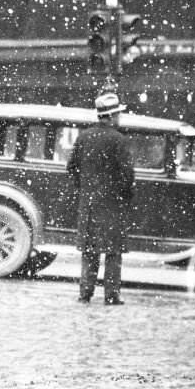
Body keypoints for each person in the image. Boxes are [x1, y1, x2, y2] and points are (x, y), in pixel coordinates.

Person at [67, 91, 135, 305]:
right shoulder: (119, 140)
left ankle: (85, 293)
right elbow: (127, 175)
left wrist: (85, 189)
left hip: (89, 204)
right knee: (113, 253)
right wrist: (124, 196)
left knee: (89, 251)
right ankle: (111, 295)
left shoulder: (83, 137)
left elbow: (72, 168)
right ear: (113, 116)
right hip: (113, 205)